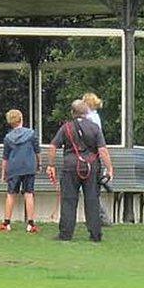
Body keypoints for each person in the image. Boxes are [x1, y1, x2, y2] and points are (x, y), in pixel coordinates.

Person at [47, 99, 114, 242]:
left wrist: (51, 165)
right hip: (92, 168)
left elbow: (53, 147)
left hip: (70, 167)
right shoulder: (95, 128)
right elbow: (102, 150)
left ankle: (65, 234)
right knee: (92, 200)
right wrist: (109, 169)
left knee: (69, 200)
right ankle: (95, 235)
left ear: (72, 112)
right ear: (86, 113)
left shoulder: (66, 128)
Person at [0, 109, 41, 233]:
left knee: (11, 194)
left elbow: (5, 157)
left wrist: (3, 173)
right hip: (29, 167)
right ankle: (31, 224)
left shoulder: (8, 138)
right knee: (29, 194)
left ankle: (7, 223)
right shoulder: (31, 134)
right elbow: (37, 151)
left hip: (13, 168)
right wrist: (39, 164)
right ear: (21, 118)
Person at [82, 92, 113, 227]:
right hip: (95, 158)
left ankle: (101, 218)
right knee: (94, 191)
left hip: (89, 157)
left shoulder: (88, 119)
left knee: (92, 191)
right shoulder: (96, 117)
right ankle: (98, 218)